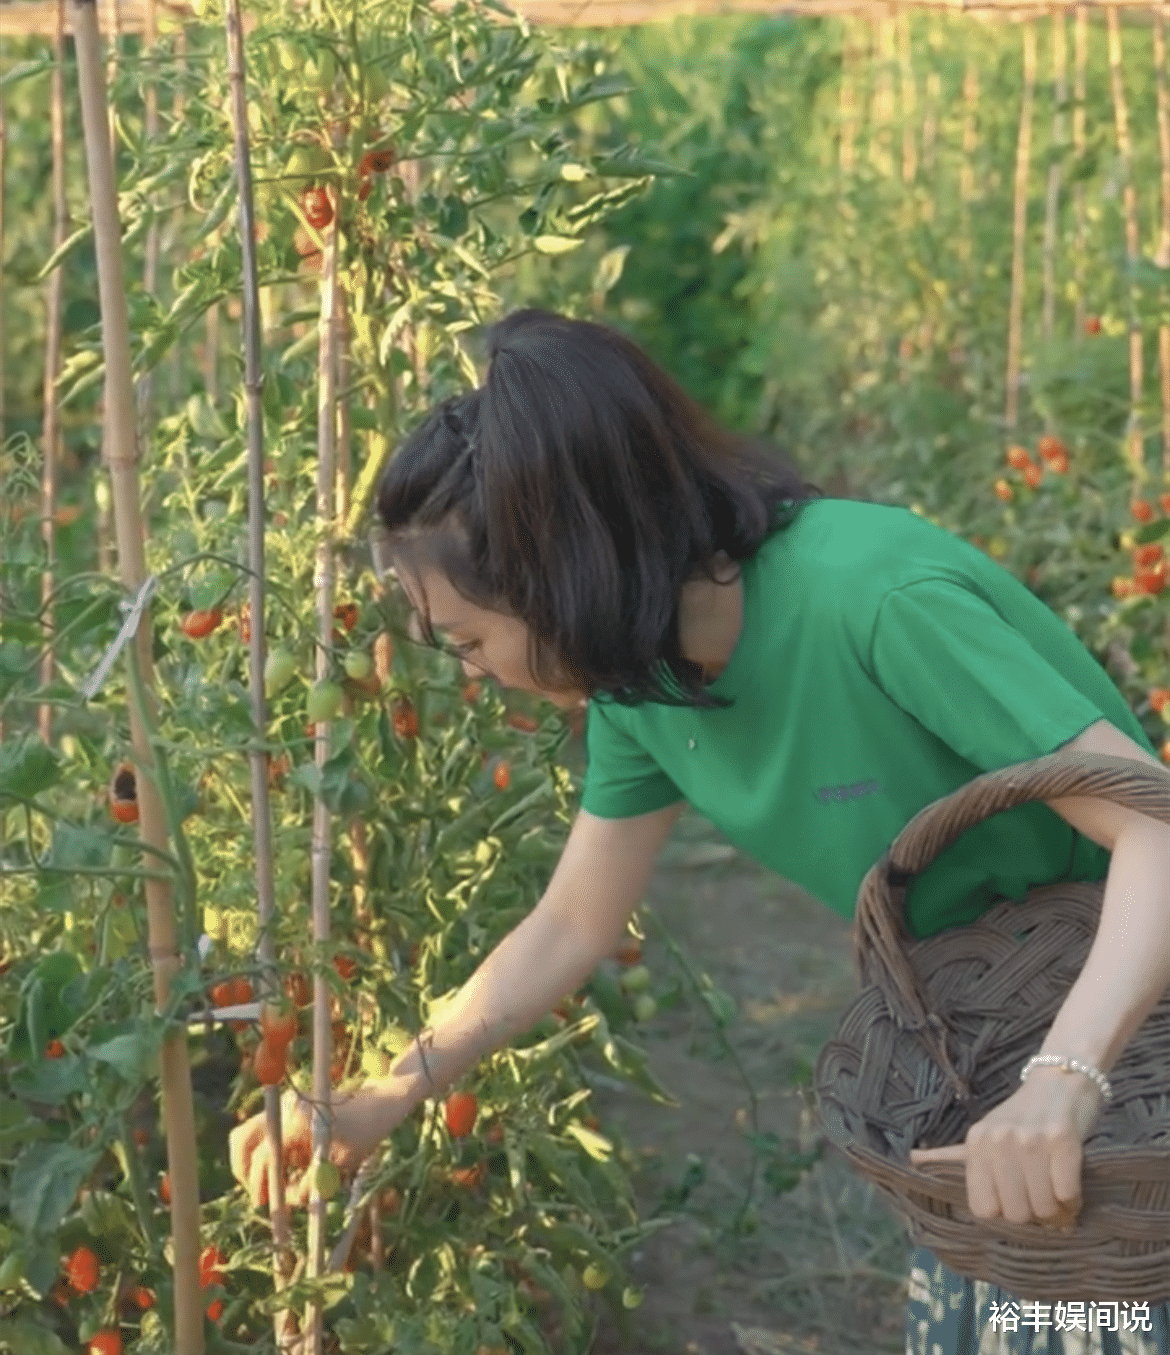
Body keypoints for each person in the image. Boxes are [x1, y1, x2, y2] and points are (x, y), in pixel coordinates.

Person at [230, 307, 1170, 1354]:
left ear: (561, 578)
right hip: (986, 1036)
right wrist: (386, 1092)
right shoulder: (645, 684)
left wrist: (1066, 1076)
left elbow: (1156, 829)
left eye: (468, 638)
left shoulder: (872, 599)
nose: (470, 669)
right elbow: (572, 923)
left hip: (1128, 1025)